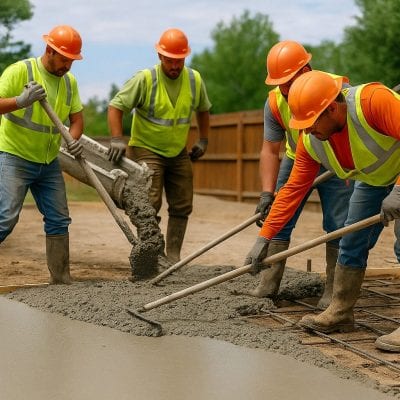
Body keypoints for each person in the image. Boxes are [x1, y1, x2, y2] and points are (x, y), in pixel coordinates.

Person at [245, 70, 400, 352]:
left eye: (310, 123)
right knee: (350, 241)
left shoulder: (374, 101)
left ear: (331, 108)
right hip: (375, 179)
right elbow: (292, 190)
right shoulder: (310, 140)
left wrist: (399, 190)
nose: (305, 131)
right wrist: (264, 238)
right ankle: (340, 312)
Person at [250, 40, 354, 309]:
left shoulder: (337, 90)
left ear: (306, 70)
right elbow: (270, 150)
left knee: (338, 223)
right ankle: (268, 284)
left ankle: (333, 290)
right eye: (280, 83)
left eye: (289, 81)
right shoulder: (274, 102)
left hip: (335, 160)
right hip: (299, 157)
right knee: (278, 216)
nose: (284, 90)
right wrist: (266, 192)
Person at [107, 28, 211, 264]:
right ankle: (151, 255)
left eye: (179, 60)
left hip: (177, 151)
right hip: (146, 148)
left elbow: (203, 110)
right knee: (149, 202)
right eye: (170, 60)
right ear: (160, 56)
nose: (175, 66)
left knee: (183, 202)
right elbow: (116, 107)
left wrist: (203, 139)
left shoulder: (194, 80)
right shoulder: (145, 80)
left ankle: (172, 256)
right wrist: (116, 138)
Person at [0, 25, 84, 284]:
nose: (68, 66)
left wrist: (74, 139)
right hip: (15, 156)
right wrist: (19, 101)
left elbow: (77, 119)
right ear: (50, 50)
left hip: (48, 162)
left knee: (59, 220)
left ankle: (61, 280)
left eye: (72, 61)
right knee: (5, 218)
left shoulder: (69, 82)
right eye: (64, 60)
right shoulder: (20, 71)